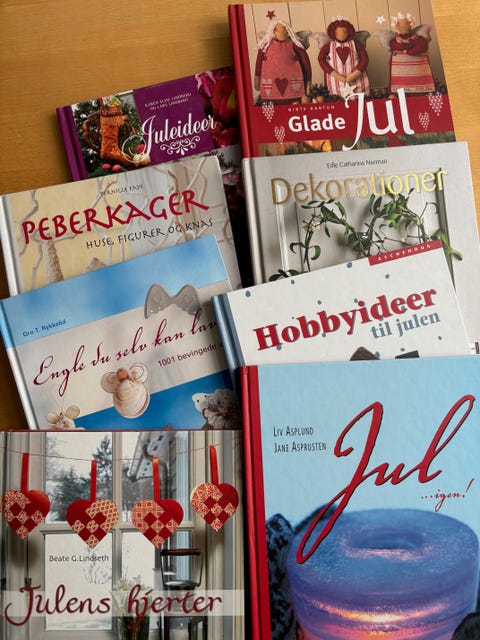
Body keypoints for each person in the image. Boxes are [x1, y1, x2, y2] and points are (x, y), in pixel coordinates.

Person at [255, 20, 312, 104]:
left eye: (285, 29)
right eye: (279, 30)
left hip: (294, 95)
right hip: (270, 96)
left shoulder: (294, 45)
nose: (282, 32)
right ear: (274, 31)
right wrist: (257, 77)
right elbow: (259, 61)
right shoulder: (266, 45)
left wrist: (308, 82)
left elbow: (305, 62)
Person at [318, 17, 370, 99]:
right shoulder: (329, 46)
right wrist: (335, 74)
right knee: (337, 99)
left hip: (357, 80)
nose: (342, 33)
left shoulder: (355, 44)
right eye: (338, 31)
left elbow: (365, 59)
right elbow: (321, 59)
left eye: (345, 31)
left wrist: (356, 73)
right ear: (333, 32)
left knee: (359, 99)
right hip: (336, 81)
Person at [389, 12, 435, 95]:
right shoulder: (394, 40)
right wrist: (410, 45)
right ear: (397, 26)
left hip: (418, 72)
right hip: (401, 73)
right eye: (400, 24)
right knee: (398, 85)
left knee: (420, 86)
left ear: (410, 24)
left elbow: (422, 46)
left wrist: (409, 51)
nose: (403, 26)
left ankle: (423, 93)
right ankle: (395, 94)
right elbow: (395, 47)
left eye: (406, 23)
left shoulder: (418, 38)